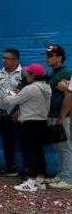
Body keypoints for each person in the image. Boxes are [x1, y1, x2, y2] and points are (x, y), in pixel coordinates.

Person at [3, 63, 51, 192]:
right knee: (38, 152)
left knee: (30, 152)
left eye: (28, 73)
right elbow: (29, 99)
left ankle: (31, 181)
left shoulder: (30, 88)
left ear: (33, 75)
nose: (26, 75)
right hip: (42, 122)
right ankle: (40, 181)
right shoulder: (46, 87)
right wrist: (21, 94)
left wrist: (8, 94)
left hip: (30, 123)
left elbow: (13, 101)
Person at [43, 44, 72, 189]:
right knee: (59, 147)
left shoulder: (66, 73)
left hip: (62, 117)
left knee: (65, 148)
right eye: (46, 55)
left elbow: (69, 95)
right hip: (52, 115)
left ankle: (68, 179)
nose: (47, 58)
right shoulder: (52, 73)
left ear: (59, 57)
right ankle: (61, 175)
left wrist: (62, 116)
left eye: (50, 56)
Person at [0, 49, 22, 177]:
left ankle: (29, 170)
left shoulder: (24, 74)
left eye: (7, 58)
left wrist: (20, 111)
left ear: (15, 60)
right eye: (3, 57)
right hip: (3, 114)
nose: (3, 60)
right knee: (7, 141)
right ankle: (10, 167)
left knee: (25, 142)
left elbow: (30, 95)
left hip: (20, 115)